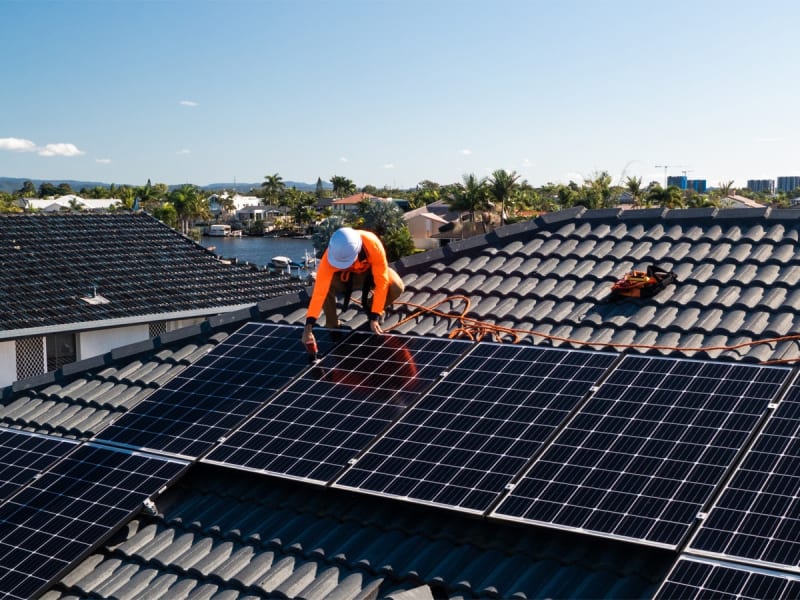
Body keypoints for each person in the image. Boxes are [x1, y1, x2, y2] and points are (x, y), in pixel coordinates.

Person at [302, 227, 405, 347]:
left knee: (396, 286)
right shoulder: (330, 256)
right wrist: (308, 328)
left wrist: (375, 315)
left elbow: (382, 281)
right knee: (325, 286)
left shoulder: (373, 244)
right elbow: (320, 292)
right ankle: (333, 326)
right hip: (345, 278)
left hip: (369, 275)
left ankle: (371, 307)